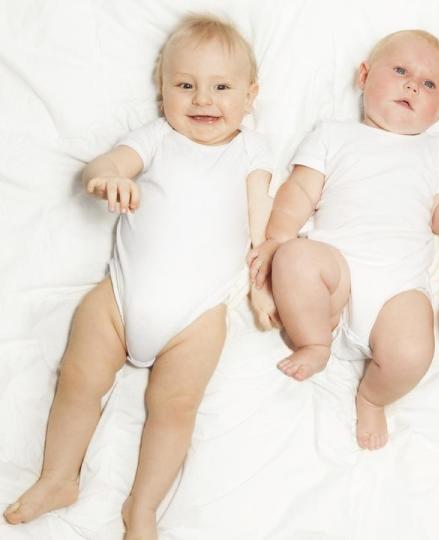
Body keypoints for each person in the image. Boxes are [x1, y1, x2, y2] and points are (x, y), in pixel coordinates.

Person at [2, 14, 273, 538]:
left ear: (250, 95)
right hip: (119, 300)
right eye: (185, 85)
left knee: (174, 410)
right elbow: (103, 164)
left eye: (222, 87)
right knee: (78, 381)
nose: (203, 100)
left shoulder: (252, 152)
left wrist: (263, 287)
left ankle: (142, 508)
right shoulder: (157, 138)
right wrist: (107, 178)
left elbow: (262, 230)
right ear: (162, 90)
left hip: (196, 319)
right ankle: (59, 476)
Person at [246, 30, 439, 450]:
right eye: (400, 71)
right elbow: (301, 191)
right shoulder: (333, 134)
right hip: (336, 273)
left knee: (413, 354)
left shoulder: (436, 152)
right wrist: (277, 238)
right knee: (295, 258)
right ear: (364, 75)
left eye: (429, 84)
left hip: (397, 289)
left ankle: (373, 396)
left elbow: (437, 219)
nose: (412, 84)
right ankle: (315, 341)